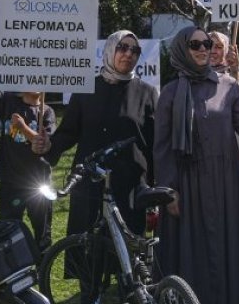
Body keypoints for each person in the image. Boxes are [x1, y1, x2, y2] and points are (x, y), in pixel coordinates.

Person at [153, 27, 239, 304]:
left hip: (226, 182)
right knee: (195, 248)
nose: (203, 49)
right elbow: (163, 147)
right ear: (182, 48)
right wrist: (169, 190)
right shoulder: (170, 93)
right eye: (195, 44)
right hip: (187, 182)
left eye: (207, 43)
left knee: (226, 245)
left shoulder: (228, 85)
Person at [33, 29, 158, 294]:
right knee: (88, 251)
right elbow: (68, 133)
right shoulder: (85, 91)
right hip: (90, 182)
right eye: (123, 47)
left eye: (134, 50)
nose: (128, 54)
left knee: (129, 258)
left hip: (129, 185)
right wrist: (48, 145)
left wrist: (154, 188)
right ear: (110, 49)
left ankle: (127, 294)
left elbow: (155, 144)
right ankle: (89, 294)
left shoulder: (147, 93)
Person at [0, 53, 56, 250]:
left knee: (42, 232)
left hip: (38, 181)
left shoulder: (47, 112)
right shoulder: (10, 101)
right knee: (8, 231)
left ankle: (42, 268)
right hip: (11, 180)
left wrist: (23, 127)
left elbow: (42, 142)